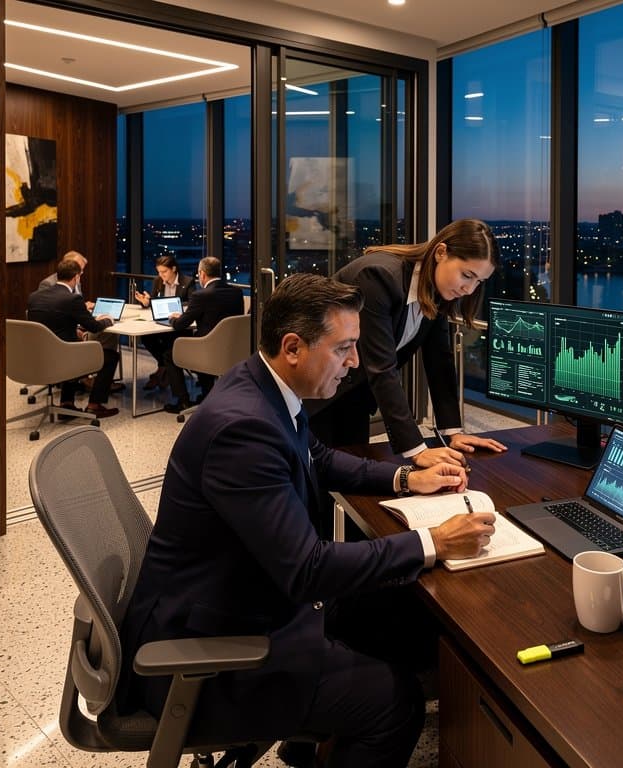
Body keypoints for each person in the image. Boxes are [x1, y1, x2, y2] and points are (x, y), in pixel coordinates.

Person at [117, 272, 495, 767]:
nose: (355, 362)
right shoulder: (244, 431)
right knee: (395, 704)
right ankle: (327, 729)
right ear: (293, 347)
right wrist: (433, 542)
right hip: (210, 648)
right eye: (344, 348)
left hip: (239, 595)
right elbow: (308, 569)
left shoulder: (260, 385)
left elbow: (318, 457)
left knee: (407, 618)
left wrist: (406, 479)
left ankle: (311, 740)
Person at [307, 218, 508, 467]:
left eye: (479, 281)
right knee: (313, 484)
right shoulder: (378, 277)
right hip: (314, 391)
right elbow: (381, 367)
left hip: (353, 394)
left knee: (349, 482)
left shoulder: (437, 290)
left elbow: (439, 361)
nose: (469, 289)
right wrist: (416, 450)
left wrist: (453, 432)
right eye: (467, 275)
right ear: (441, 252)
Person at [26, 257, 120, 418]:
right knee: (110, 356)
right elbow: (94, 327)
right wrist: (107, 319)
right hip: (64, 358)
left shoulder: (34, 296)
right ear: (76, 277)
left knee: (71, 347)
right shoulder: (72, 299)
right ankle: (94, 405)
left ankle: (67, 404)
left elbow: (55, 322)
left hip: (39, 357)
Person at [161, 255, 245, 413]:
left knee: (169, 354)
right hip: (231, 349)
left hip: (207, 351)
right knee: (200, 343)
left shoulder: (201, 295)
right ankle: (208, 395)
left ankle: (183, 401)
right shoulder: (236, 293)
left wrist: (173, 318)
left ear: (202, 274)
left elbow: (180, 325)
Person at [132, 254, 196, 390]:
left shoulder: (187, 282)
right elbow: (154, 301)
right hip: (162, 321)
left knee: (169, 341)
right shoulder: (158, 281)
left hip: (179, 324)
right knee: (146, 337)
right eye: (159, 272)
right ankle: (164, 367)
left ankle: (163, 371)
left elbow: (192, 304)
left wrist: (175, 308)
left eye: (164, 272)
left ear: (173, 269)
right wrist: (146, 302)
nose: (161, 275)